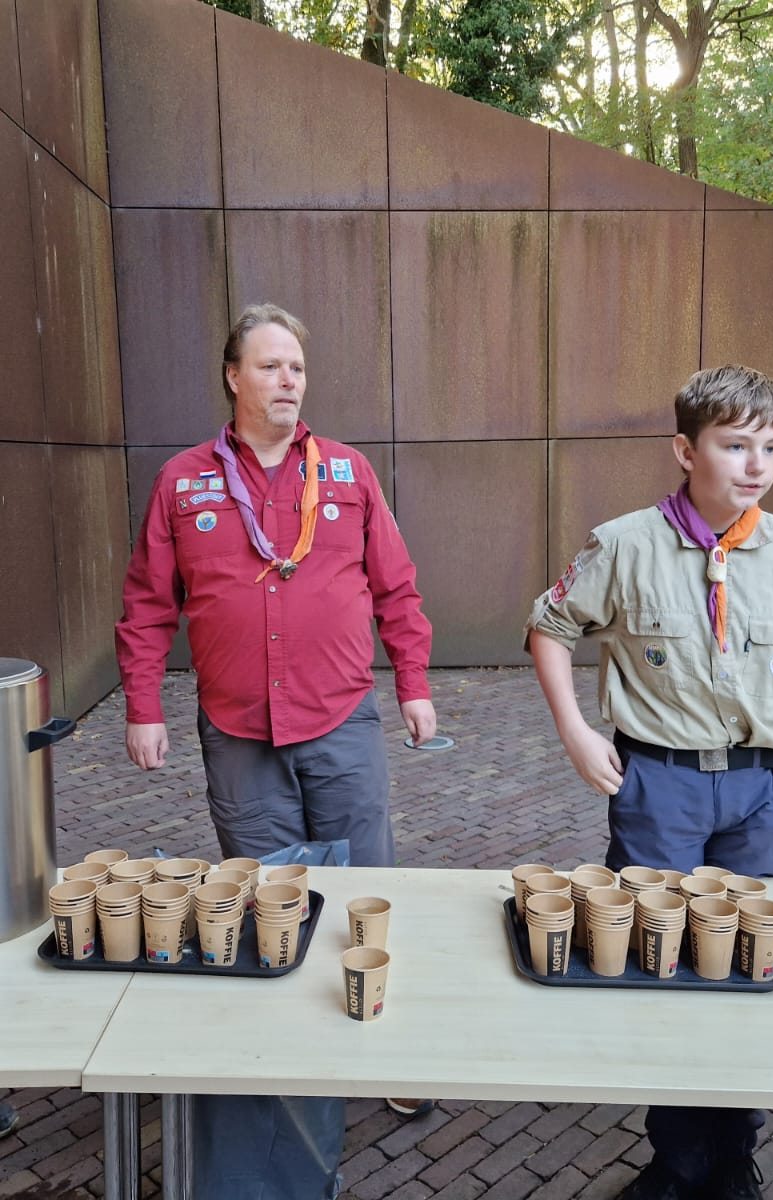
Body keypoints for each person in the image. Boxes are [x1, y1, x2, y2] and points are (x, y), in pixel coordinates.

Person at [115, 303, 437, 1198]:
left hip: (341, 722)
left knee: (372, 888)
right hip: (237, 732)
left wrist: (412, 682)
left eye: (297, 366)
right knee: (268, 895)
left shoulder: (347, 472)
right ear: (233, 376)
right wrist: (146, 705)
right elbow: (147, 602)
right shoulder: (185, 483)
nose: (289, 380)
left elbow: (394, 585)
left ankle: (386, 1048)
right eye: (271, 366)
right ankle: (295, 1050)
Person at [525, 365, 773, 1200]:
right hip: (660, 782)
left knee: (746, 963)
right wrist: (575, 730)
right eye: (735, 445)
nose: (755, 465)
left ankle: (734, 1151)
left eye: (769, 447)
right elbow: (550, 624)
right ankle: (677, 1157)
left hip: (760, 788)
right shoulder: (625, 543)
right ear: (685, 449)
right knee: (660, 964)